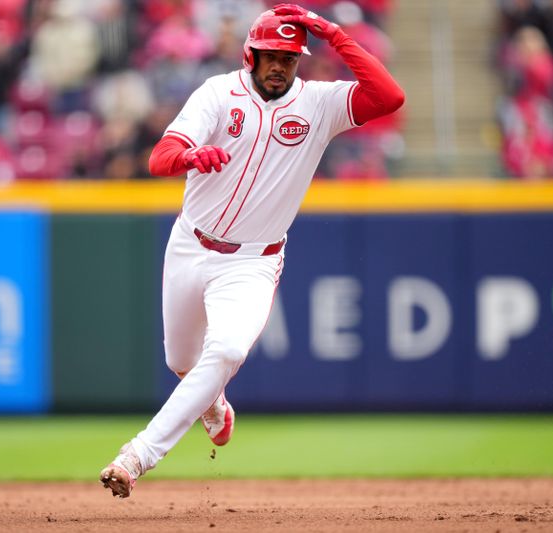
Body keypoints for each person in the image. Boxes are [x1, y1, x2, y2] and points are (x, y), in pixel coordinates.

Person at [99, 3, 404, 498]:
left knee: (226, 350)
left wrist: (332, 33)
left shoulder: (319, 103)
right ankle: (213, 403)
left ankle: (136, 456)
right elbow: (159, 158)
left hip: (251, 261)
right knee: (182, 360)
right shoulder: (219, 92)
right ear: (251, 55)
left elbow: (390, 96)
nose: (281, 64)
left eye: (290, 56)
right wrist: (192, 154)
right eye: (271, 55)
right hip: (190, 246)